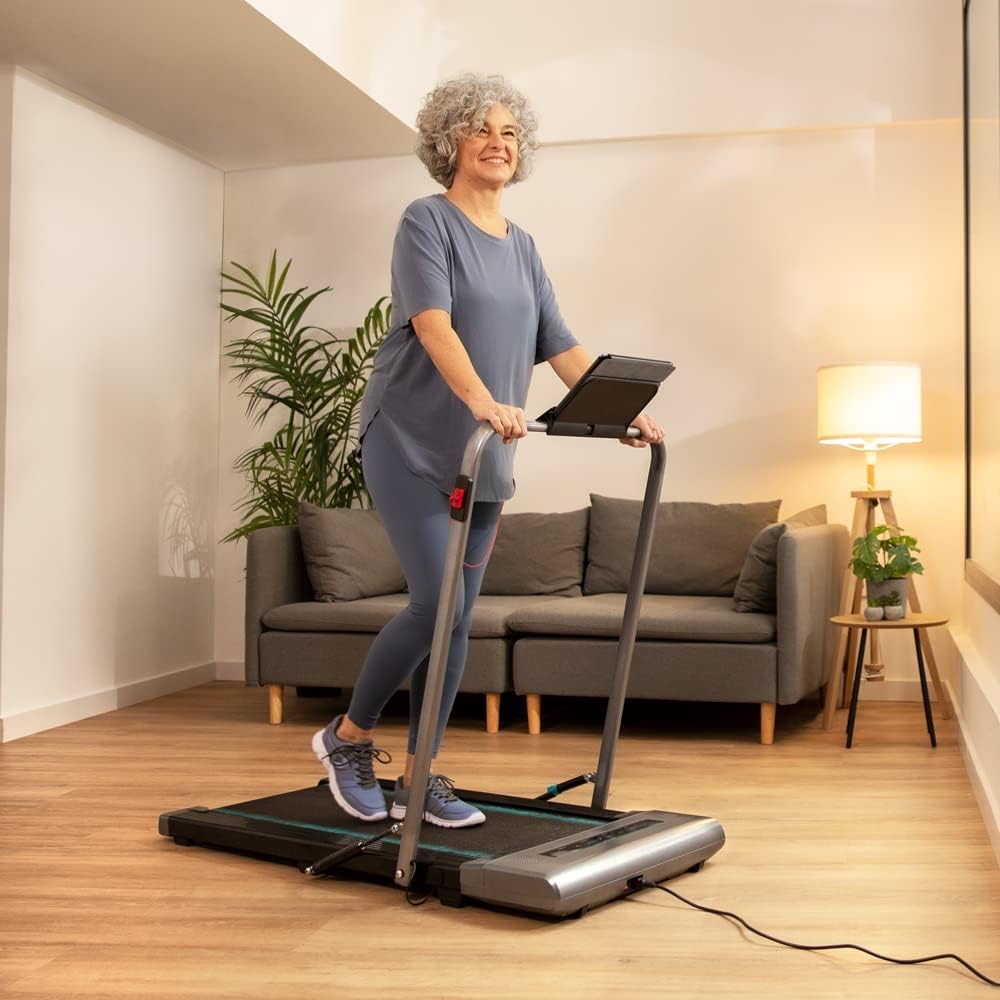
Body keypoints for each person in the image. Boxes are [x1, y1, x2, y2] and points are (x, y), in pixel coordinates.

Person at [312, 73, 663, 828]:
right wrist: (481, 400)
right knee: (436, 604)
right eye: (483, 130)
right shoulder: (426, 222)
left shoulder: (524, 246)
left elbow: (560, 344)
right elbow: (434, 325)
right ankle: (347, 739)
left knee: (460, 617)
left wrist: (619, 414)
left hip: (485, 458)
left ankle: (420, 774)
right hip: (411, 441)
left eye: (509, 132)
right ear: (451, 144)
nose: (499, 143)